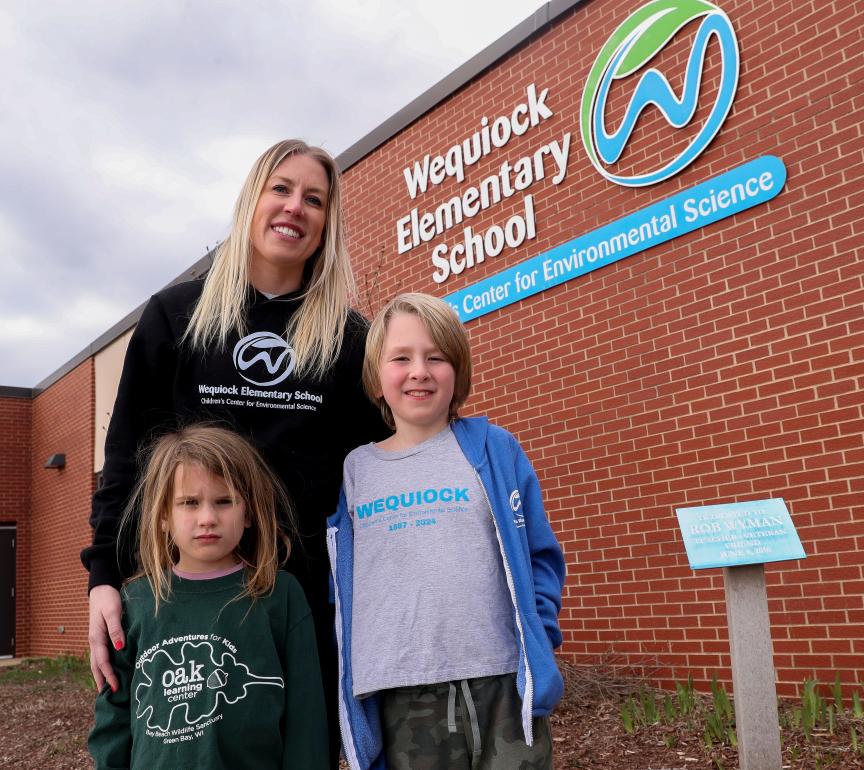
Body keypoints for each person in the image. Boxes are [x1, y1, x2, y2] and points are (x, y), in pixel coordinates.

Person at [81, 139, 385, 765]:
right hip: (184, 596)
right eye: (281, 189)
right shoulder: (178, 315)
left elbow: (376, 470)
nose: (294, 208)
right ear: (252, 200)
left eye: (314, 199)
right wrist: (103, 579)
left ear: (328, 222)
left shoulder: (348, 338)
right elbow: (127, 462)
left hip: (298, 600)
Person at [327, 292, 566, 769]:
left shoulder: (494, 449)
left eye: (435, 357)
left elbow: (539, 554)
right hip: (401, 692)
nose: (419, 370)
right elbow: (341, 585)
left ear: (457, 372)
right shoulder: (356, 470)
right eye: (401, 358)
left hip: (500, 681)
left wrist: (538, 636)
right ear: (376, 378)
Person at [87, 424, 329, 768]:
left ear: (248, 513)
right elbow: (113, 718)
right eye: (189, 503)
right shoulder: (135, 602)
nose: (207, 518)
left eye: (224, 501)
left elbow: (307, 717)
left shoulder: (280, 593)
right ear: (163, 517)